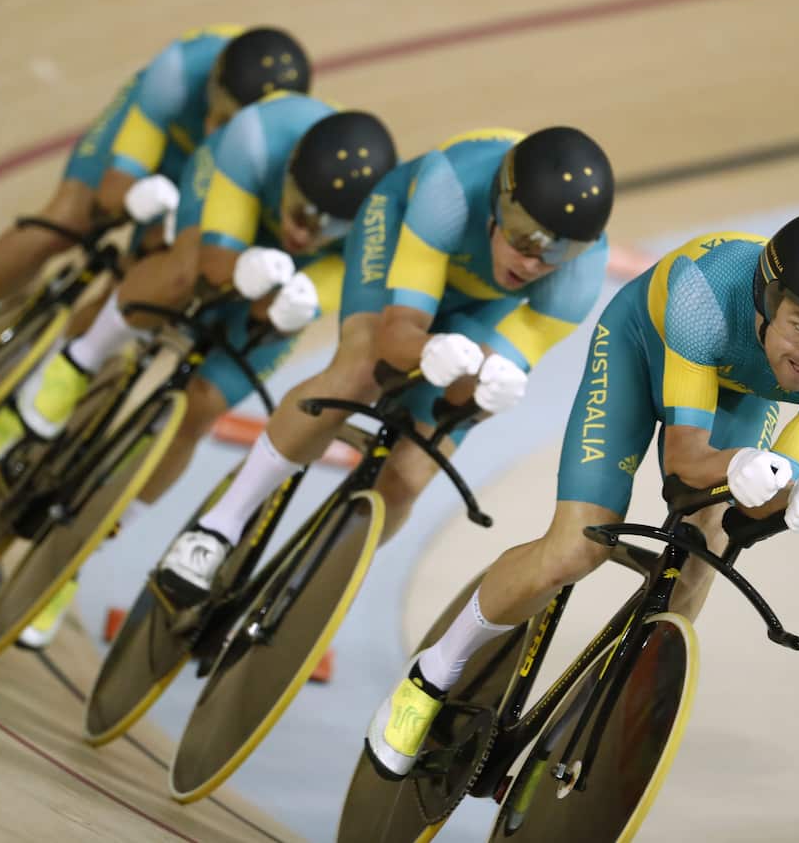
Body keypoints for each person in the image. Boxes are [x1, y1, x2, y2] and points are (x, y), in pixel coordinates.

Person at [363, 211, 799, 779]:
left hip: (734, 389)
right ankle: (429, 677)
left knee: (699, 560)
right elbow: (685, 468)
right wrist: (742, 464)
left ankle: (597, 719)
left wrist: (791, 507)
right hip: (644, 346)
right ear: (766, 300)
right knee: (574, 549)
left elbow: (753, 504)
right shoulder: (704, 293)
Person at [150, 126, 616, 614]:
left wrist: (480, 394)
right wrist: (428, 348)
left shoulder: (577, 280)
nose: (535, 261)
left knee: (414, 471)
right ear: (500, 203)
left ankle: (316, 589)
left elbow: (463, 402)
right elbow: (398, 337)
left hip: (481, 308)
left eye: (558, 252)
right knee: (361, 370)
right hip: (400, 238)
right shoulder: (450, 189)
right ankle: (216, 529)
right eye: (525, 238)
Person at [12, 99, 398, 649]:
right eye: (302, 213)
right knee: (178, 278)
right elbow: (215, 260)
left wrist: (301, 304)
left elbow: (340, 289)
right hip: (222, 209)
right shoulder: (257, 139)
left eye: (330, 226)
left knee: (202, 405)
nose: (308, 232)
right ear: (287, 173)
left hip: (292, 278)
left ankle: (81, 555)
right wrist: (231, 268)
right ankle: (76, 365)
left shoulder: (374, 228)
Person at [0, 25, 311, 409]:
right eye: (219, 114)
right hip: (158, 149)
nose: (218, 132)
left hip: (216, 187)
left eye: (234, 126)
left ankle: (46, 383)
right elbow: (117, 182)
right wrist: (129, 196)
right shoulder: (180, 70)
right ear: (212, 84)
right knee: (65, 221)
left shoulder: (268, 152)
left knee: (145, 280)